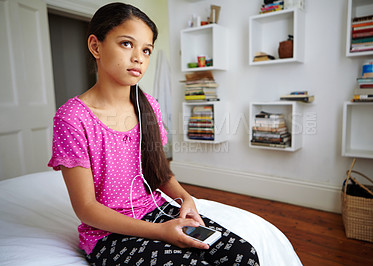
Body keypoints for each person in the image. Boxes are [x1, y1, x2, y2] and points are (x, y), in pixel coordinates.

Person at [48, 2, 259, 265]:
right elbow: (87, 209)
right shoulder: (72, 118)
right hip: (109, 234)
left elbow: (158, 173)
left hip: (157, 211)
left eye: (146, 50)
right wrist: (161, 232)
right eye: (127, 44)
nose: (138, 57)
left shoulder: (149, 107)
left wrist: (185, 198)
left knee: (244, 255)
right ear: (96, 46)